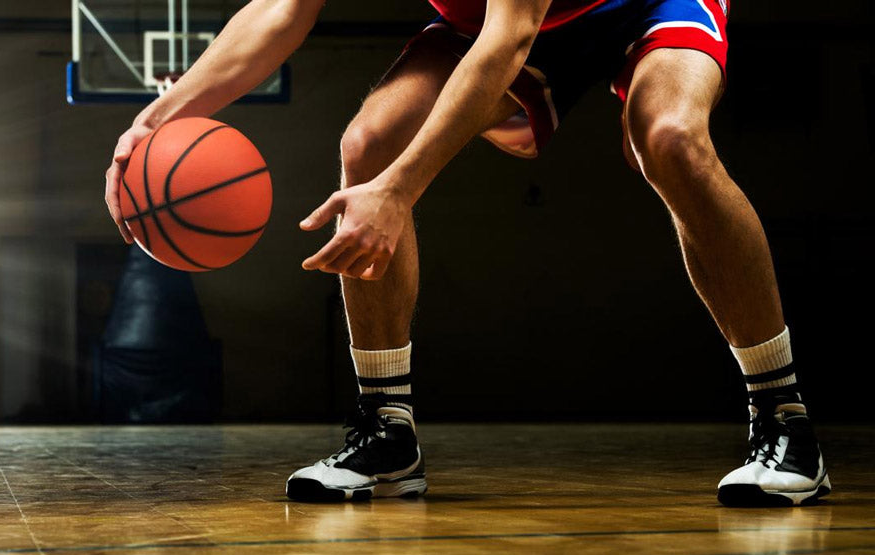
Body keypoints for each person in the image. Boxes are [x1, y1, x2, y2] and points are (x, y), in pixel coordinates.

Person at [104, 0, 830, 507]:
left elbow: (511, 38)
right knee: (369, 144)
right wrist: (154, 120)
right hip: (495, 21)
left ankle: (784, 420)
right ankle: (388, 434)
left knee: (668, 139)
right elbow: (282, 10)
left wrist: (398, 192)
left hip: (631, 3)